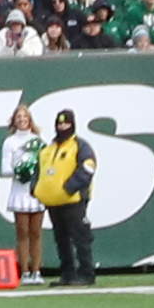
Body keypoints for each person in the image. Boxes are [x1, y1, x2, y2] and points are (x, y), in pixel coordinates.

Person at [35, 107, 97, 285]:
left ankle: (86, 273)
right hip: (53, 201)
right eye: (60, 123)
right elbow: (39, 171)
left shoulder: (80, 146)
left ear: (73, 124)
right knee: (61, 238)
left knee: (80, 237)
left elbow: (88, 167)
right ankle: (68, 273)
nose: (63, 126)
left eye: (66, 123)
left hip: (74, 200)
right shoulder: (49, 148)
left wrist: (70, 187)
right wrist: (36, 189)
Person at [0, 104, 48, 287]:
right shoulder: (9, 142)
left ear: (29, 120)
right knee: (22, 233)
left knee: (36, 233)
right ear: (14, 120)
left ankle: (37, 271)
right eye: (18, 117)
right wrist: (21, 170)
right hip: (19, 191)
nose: (22, 120)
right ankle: (24, 271)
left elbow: (45, 165)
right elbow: (5, 169)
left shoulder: (38, 140)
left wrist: (35, 170)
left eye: (25, 117)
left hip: (36, 192)